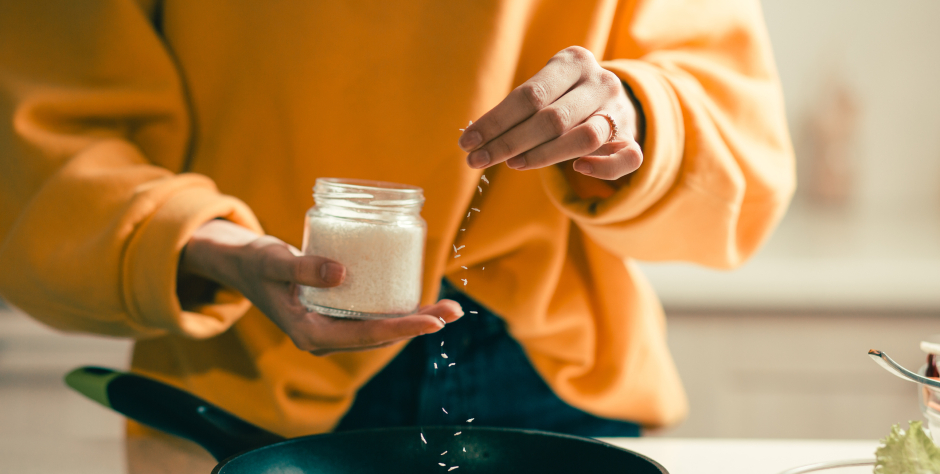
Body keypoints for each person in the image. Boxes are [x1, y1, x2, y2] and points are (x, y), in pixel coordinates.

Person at [0, 1, 794, 438]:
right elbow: (44, 133)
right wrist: (204, 242)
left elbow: (740, 144)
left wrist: (636, 115)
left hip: (545, 367)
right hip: (241, 355)